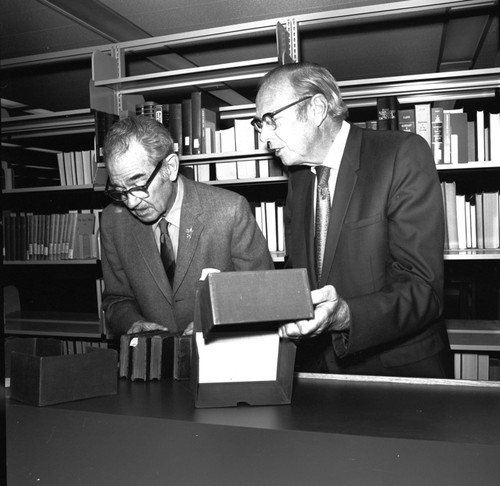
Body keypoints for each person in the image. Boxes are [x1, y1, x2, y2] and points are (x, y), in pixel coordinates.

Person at [253, 62, 452, 378]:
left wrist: (345, 315)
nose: (264, 136)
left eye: (270, 120)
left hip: (397, 373)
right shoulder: (300, 181)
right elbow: (298, 272)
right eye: (258, 124)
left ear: (317, 109)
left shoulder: (401, 154)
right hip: (319, 371)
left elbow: (423, 288)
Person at [100, 115, 274, 337]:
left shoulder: (230, 210)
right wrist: (133, 323)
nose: (131, 202)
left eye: (138, 185)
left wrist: (219, 325)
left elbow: (265, 296)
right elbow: (116, 299)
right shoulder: (113, 221)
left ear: (170, 167)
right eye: (119, 190)